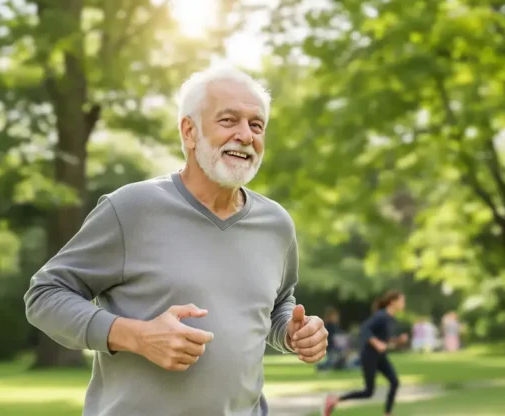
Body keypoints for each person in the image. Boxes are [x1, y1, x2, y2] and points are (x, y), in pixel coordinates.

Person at [23, 65, 329, 416]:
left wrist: (293, 332)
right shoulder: (131, 208)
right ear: (189, 131)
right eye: (228, 120)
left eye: (256, 125)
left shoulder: (276, 224)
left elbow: (278, 305)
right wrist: (136, 336)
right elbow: (45, 295)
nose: (246, 135)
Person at [322, 291, 409, 416]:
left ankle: (388, 413)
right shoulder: (381, 315)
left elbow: (384, 339)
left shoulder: (390, 318)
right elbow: (365, 329)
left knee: (394, 382)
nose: (403, 304)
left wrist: (398, 340)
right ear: (393, 302)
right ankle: (335, 399)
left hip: (380, 356)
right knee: (368, 392)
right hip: (369, 355)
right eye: (402, 301)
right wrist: (376, 343)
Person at [317, 307, 343, 371]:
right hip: (330, 346)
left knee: (332, 359)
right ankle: (321, 367)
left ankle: (322, 366)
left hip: (333, 346)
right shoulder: (329, 325)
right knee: (331, 360)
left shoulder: (334, 325)